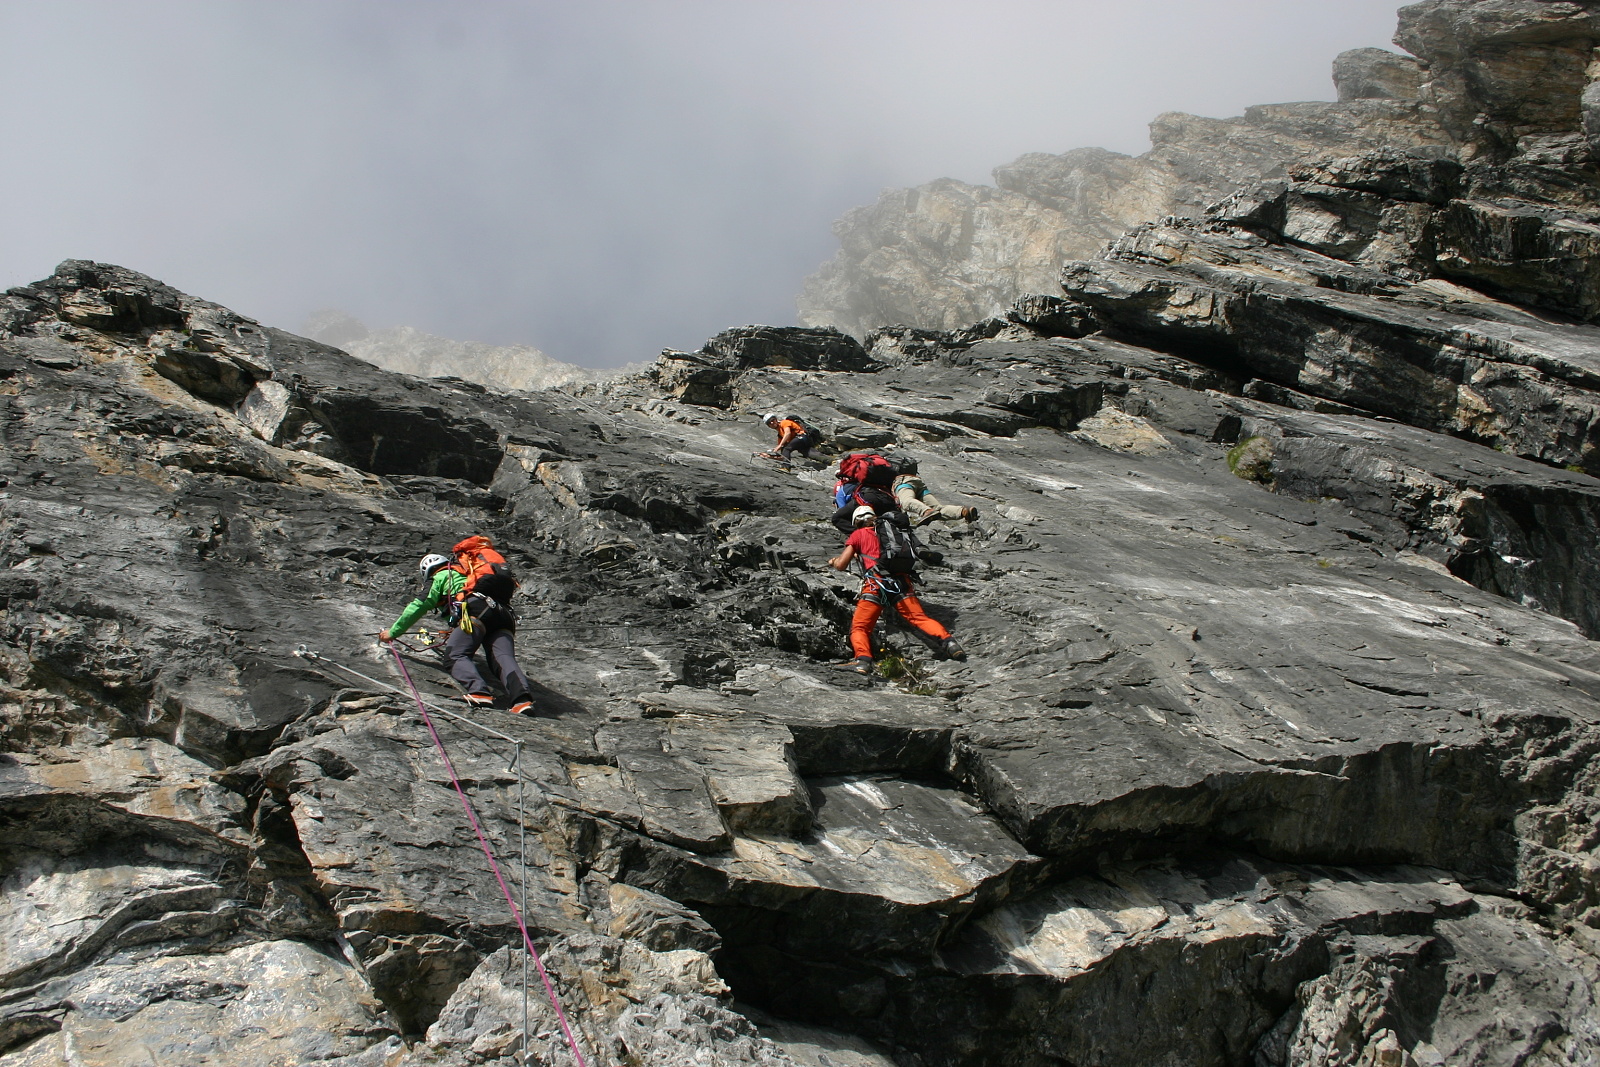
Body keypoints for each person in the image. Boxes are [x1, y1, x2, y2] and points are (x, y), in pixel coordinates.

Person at [380, 550, 534, 714]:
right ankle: (522, 701)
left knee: (455, 655)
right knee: (503, 658)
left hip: (476, 611)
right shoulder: (470, 576)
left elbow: (418, 606)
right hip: (504, 614)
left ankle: (479, 692)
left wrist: (393, 633)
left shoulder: (440, 576)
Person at [828, 505, 964, 674]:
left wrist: (834, 562)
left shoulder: (858, 535)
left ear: (857, 522)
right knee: (919, 618)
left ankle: (863, 661)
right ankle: (950, 643)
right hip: (901, 583)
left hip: (875, 585)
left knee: (860, 627)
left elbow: (841, 565)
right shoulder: (891, 532)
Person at [892, 458, 977, 525]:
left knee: (906, 502)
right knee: (937, 508)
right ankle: (964, 511)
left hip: (903, 482)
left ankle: (926, 511)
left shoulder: (884, 465)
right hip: (917, 481)